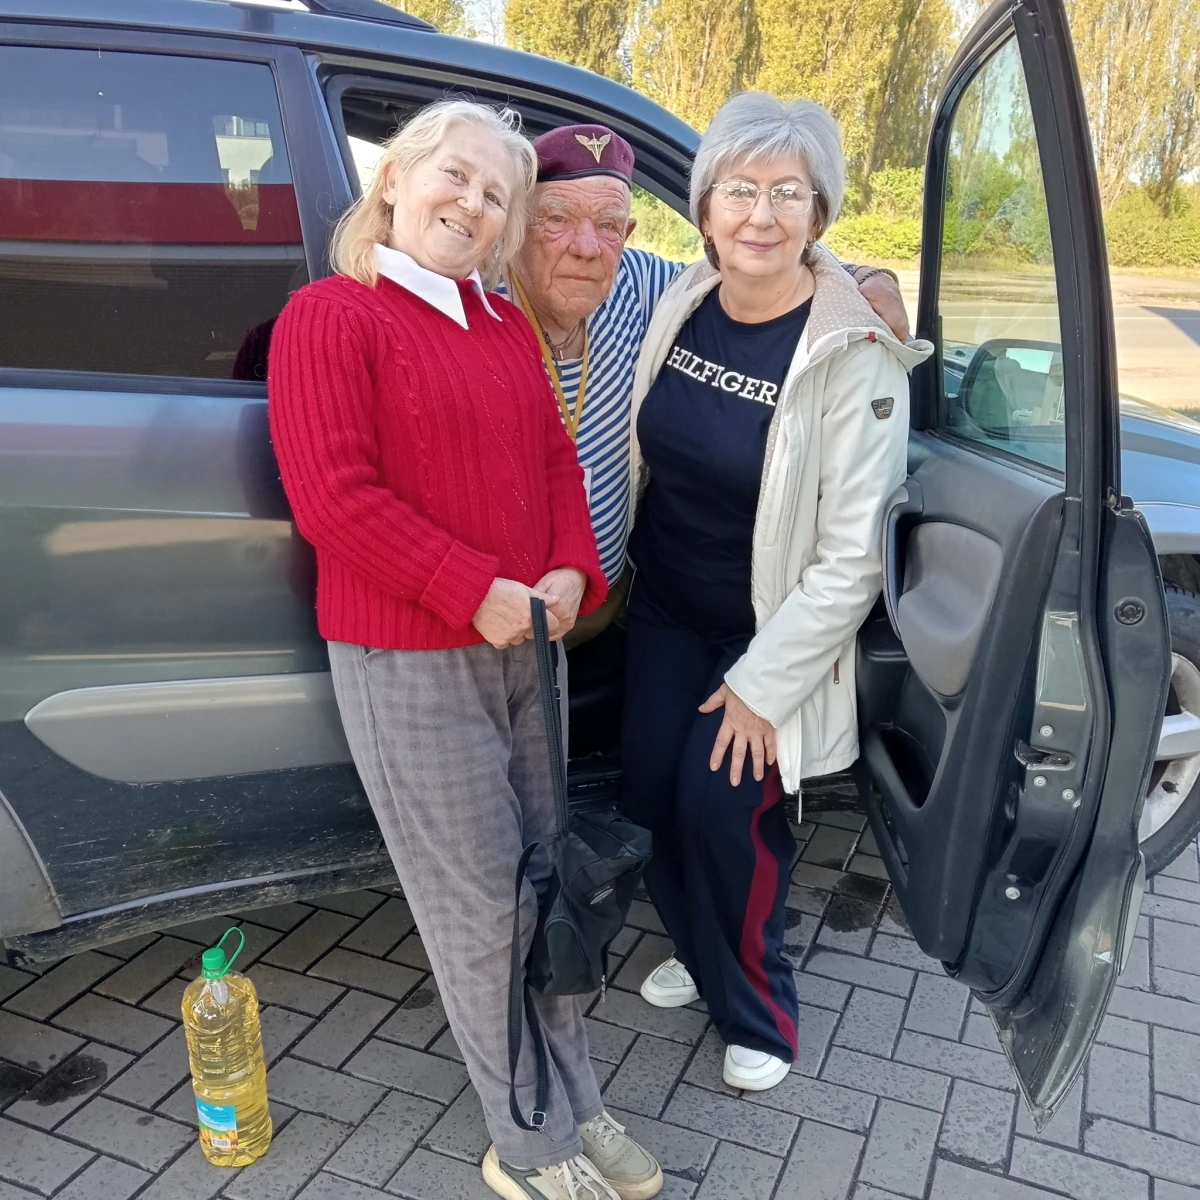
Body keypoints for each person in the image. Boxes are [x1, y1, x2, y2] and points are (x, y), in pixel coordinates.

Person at [268, 99, 662, 1200]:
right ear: (395, 179)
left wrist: (571, 569)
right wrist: (470, 591)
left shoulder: (499, 326)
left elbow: (555, 466)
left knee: (549, 888)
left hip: (529, 647)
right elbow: (334, 499)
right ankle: (526, 1140)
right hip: (411, 657)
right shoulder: (329, 317)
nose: (474, 203)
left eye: (497, 193)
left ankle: (576, 1097)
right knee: (483, 912)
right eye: (455, 175)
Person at [621, 93, 933, 1092]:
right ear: (705, 209)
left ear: (818, 214)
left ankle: (758, 1007)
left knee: (723, 811)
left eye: (788, 193)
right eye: (740, 190)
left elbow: (853, 557)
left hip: (768, 630)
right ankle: (699, 949)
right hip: (666, 607)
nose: (761, 214)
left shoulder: (854, 354)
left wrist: (763, 687)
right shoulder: (680, 299)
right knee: (650, 794)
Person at [500, 124, 912, 647]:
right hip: (499, 626)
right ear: (517, 224)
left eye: (607, 224)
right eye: (557, 219)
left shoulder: (640, 285)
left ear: (627, 235)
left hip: (606, 614)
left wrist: (865, 275)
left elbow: (753, 259)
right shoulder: (471, 303)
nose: (586, 247)